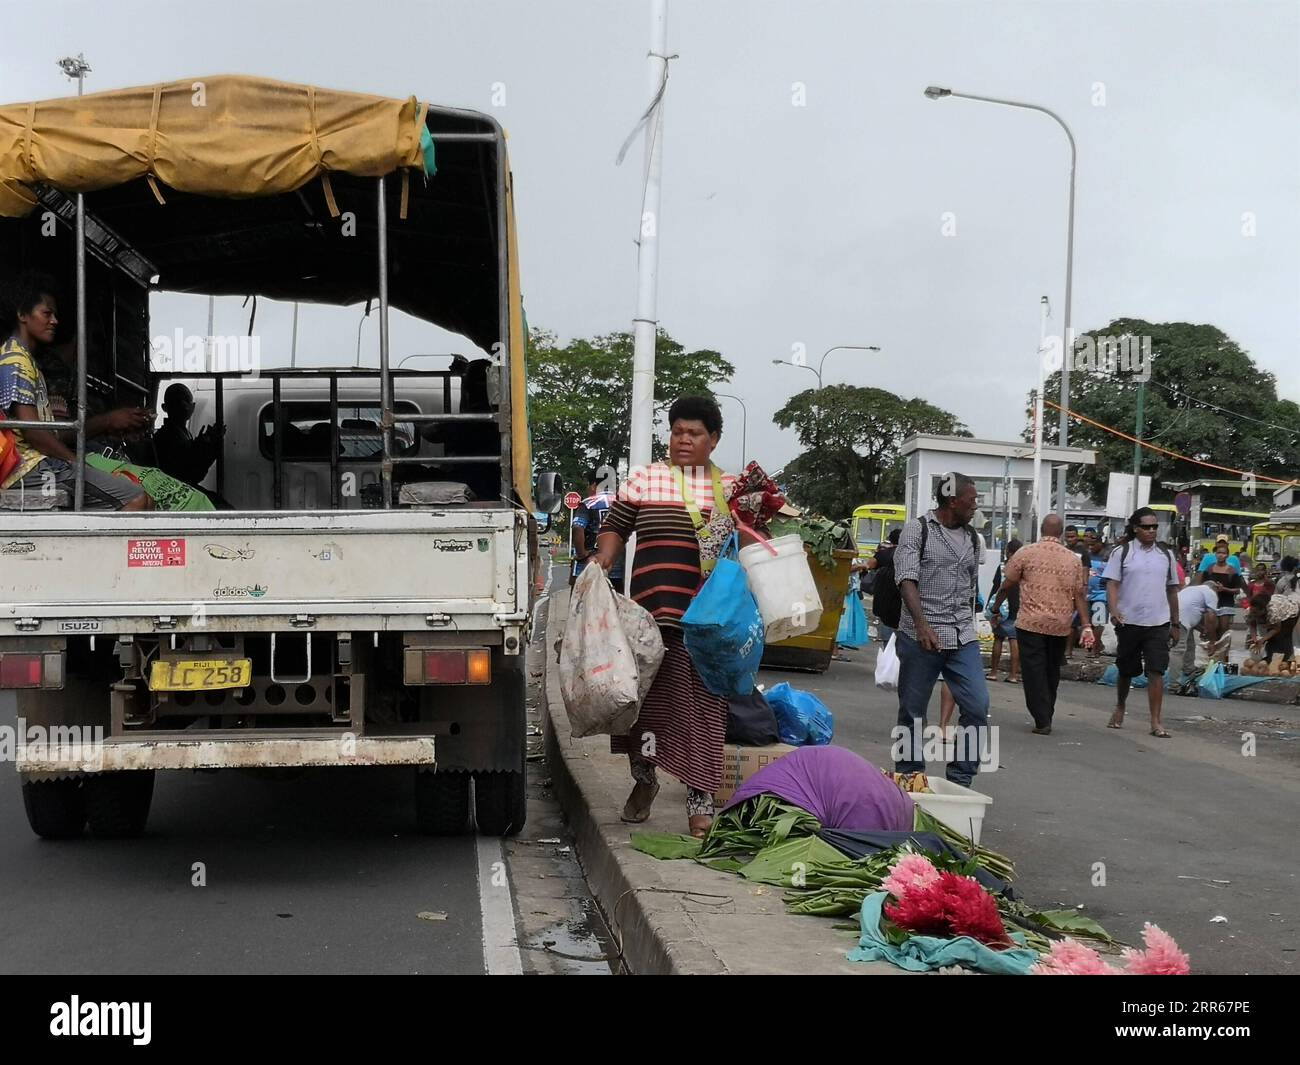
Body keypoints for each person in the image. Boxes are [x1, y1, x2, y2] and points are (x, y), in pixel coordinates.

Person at [591, 395, 751, 838]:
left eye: (694, 433)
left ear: (713, 440)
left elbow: (753, 546)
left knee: (703, 711)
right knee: (641, 709)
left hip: (706, 626)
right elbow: (615, 529)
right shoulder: (644, 480)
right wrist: (602, 560)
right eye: (677, 431)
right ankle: (644, 782)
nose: (683, 439)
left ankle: (700, 802)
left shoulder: (731, 490)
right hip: (646, 621)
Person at [0, 272, 153, 510]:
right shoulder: (15, 361)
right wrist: (76, 462)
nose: (54, 321)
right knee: (136, 498)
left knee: (142, 497)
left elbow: (51, 434)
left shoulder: (26, 360)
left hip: (40, 463)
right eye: (46, 313)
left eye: (55, 315)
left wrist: (106, 423)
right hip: (26, 468)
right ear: (22, 314)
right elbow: (33, 433)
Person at [891, 472, 989, 787]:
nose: (976, 506)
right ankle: (909, 776)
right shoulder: (917, 530)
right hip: (922, 636)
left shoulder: (973, 538)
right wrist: (921, 624)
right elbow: (906, 578)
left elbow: (970, 587)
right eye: (971, 500)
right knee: (912, 712)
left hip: (962, 635)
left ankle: (961, 779)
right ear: (952, 500)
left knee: (977, 706)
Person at [987, 515, 1093, 735]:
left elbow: (1007, 584)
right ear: (1061, 532)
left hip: (1030, 623)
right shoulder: (1072, 559)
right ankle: (1047, 711)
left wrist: (995, 608)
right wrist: (1085, 624)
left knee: (1034, 670)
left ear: (1041, 530)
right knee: (1051, 670)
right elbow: (1080, 594)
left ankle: (1041, 716)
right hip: (1060, 625)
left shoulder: (1025, 553)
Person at [1103, 507, 1182, 737]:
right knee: (1126, 669)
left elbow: (1172, 589)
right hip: (1129, 620)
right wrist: (1114, 610)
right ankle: (1120, 706)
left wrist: (1175, 623)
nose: (1151, 531)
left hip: (1158, 622)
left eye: (1155, 527)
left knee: (1156, 670)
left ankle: (1156, 721)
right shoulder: (1123, 553)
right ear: (1136, 528)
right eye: (1146, 527)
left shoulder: (1165, 555)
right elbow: (1113, 584)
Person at [152, 383, 224, 487]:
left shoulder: (170, 434)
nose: (183, 406)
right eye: (178, 403)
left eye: (185, 401)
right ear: (192, 407)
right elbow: (190, 474)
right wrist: (206, 446)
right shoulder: (167, 438)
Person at [570, 469, 624, 589]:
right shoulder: (623, 503)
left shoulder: (588, 504)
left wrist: (581, 553)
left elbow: (578, 528)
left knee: (582, 604)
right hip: (617, 567)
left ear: (594, 485)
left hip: (590, 565)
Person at [985, 539, 1022, 684]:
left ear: (1009, 551)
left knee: (998, 639)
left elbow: (996, 588)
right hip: (1017, 607)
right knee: (1014, 640)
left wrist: (993, 608)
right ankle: (1013, 674)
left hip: (1001, 607)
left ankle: (994, 672)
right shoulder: (1023, 567)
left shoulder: (1002, 567)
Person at [1199, 541, 1245, 647]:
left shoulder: (1232, 571)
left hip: (1226, 602)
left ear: (1227, 555)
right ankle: (1213, 651)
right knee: (1211, 629)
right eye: (1219, 552)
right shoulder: (1209, 569)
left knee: (1224, 630)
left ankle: (1224, 655)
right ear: (1215, 554)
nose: (1221, 555)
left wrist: (1224, 589)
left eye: (1223, 553)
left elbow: (1237, 590)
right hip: (1211, 603)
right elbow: (1203, 585)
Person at [1176, 580, 1221, 677]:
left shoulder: (1191, 589)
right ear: (1215, 588)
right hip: (1181, 620)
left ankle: (1188, 669)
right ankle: (1174, 683)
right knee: (1178, 650)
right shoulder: (1210, 592)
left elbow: (1191, 610)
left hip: (1177, 617)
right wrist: (1212, 641)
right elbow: (1211, 618)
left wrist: (1202, 629)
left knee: (1190, 645)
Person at [868, 527, 903, 648]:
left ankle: (887, 649)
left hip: (884, 594)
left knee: (886, 621)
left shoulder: (883, 554)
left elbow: (869, 565)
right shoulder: (909, 554)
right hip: (902, 594)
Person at [1250, 591, 1298, 666]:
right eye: (1252, 611)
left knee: (1283, 636)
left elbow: (1276, 629)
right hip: (1278, 608)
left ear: (1263, 610)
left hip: (1290, 611)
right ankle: (1270, 659)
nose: (1253, 614)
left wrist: (1262, 640)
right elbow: (1252, 625)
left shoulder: (1273, 611)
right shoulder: (1251, 611)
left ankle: (1286, 660)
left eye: (1255, 612)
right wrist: (1254, 639)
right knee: (1271, 638)